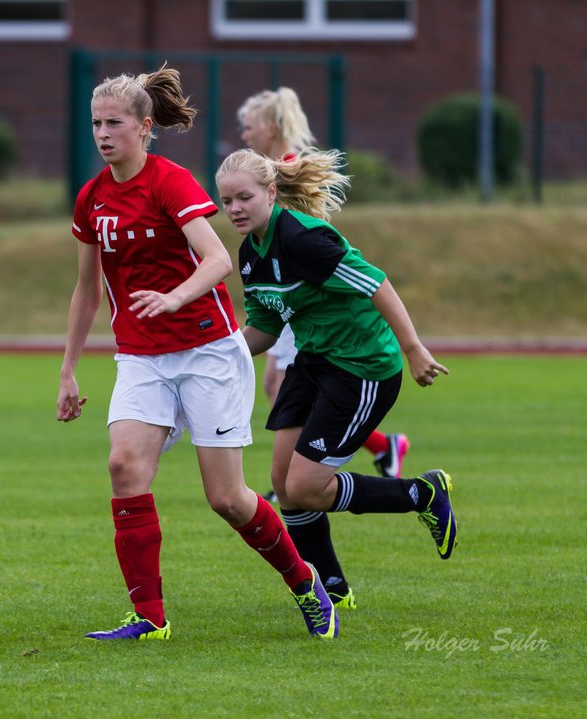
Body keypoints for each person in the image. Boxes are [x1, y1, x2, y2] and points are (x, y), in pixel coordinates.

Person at [57, 66, 338, 640]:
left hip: (207, 350)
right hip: (141, 357)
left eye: (114, 123)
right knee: (123, 466)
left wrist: (175, 297)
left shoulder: (170, 181)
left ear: (144, 126)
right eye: (95, 123)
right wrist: (67, 370)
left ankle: (306, 584)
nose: (103, 133)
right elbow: (87, 289)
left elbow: (217, 260)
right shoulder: (92, 199)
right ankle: (149, 619)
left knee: (228, 499)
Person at [216, 147, 457, 605]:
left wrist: (414, 350)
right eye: (227, 201)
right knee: (286, 485)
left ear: (271, 193)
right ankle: (332, 586)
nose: (235, 209)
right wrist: (211, 352)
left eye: (244, 197)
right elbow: (264, 328)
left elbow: (377, 283)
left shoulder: (305, 240)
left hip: (361, 365)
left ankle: (422, 494)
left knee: (307, 487)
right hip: (314, 360)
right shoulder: (250, 254)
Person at [237, 86, 409, 481]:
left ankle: (301, 477)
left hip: (302, 301)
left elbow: (311, 241)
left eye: (249, 127)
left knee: (282, 386)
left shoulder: (278, 174)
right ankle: (321, 468)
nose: (244, 135)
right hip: (283, 298)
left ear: (270, 127)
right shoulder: (259, 177)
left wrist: (413, 348)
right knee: (276, 386)